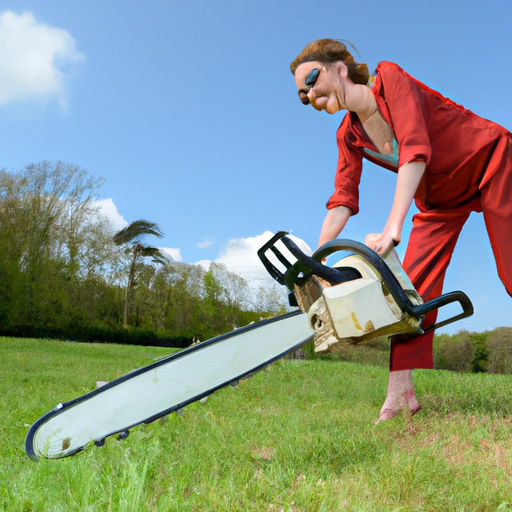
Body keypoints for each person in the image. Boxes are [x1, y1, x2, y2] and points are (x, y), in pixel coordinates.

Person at [290, 39, 512, 423]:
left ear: (340, 67)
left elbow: (415, 148)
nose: (310, 93)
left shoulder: (389, 77)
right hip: (440, 198)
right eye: (302, 94)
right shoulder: (348, 135)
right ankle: (400, 396)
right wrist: (315, 260)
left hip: (488, 159)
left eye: (312, 78)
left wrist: (393, 227)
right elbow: (343, 198)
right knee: (408, 296)